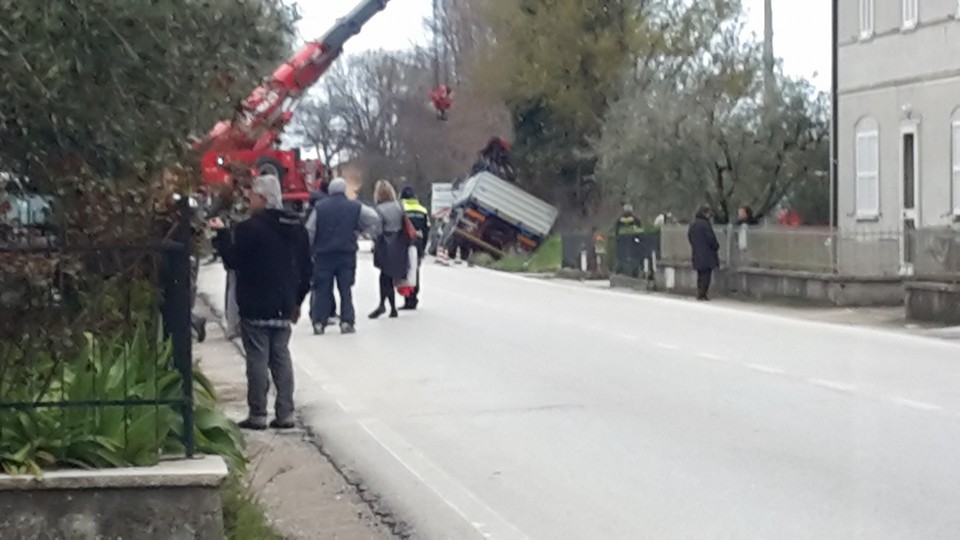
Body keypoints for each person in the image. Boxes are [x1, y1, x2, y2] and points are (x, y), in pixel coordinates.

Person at [211, 174, 312, 430]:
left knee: (257, 358)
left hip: (255, 302)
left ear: (263, 199)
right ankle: (286, 412)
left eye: (253, 196)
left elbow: (234, 261)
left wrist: (222, 236)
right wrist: (298, 299)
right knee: (281, 357)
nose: (250, 201)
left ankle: (258, 413)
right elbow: (306, 268)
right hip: (285, 302)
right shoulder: (296, 227)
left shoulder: (249, 229)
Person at [305, 177, 381, 335]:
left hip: (323, 255)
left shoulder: (320, 207)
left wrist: (309, 249)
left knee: (322, 289)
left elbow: (310, 230)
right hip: (346, 254)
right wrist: (360, 229)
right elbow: (374, 217)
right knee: (345, 289)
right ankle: (347, 322)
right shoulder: (354, 206)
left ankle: (319, 322)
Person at [369, 180, 408, 319]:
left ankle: (383, 305)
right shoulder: (399, 206)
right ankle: (390, 307)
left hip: (385, 243)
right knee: (390, 276)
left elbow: (377, 230)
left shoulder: (379, 209)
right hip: (399, 243)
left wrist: (373, 239)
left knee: (384, 275)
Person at [307, 180, 338, 326]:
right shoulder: (325, 206)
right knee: (326, 283)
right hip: (325, 249)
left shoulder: (312, 205)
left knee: (318, 283)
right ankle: (327, 312)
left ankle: (316, 312)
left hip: (315, 249)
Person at [399, 186, 430, 310]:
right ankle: (414, 297)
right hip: (418, 244)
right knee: (415, 271)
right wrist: (423, 247)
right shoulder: (422, 210)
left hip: (404, 244)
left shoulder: (401, 209)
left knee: (405, 272)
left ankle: (408, 298)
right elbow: (426, 230)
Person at [687, 204, 720, 301]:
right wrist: (715, 246)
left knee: (700, 274)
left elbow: (690, 236)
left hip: (697, 252)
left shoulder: (693, 224)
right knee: (706, 274)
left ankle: (699, 291)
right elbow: (711, 238)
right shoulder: (705, 224)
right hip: (707, 253)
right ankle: (703, 293)